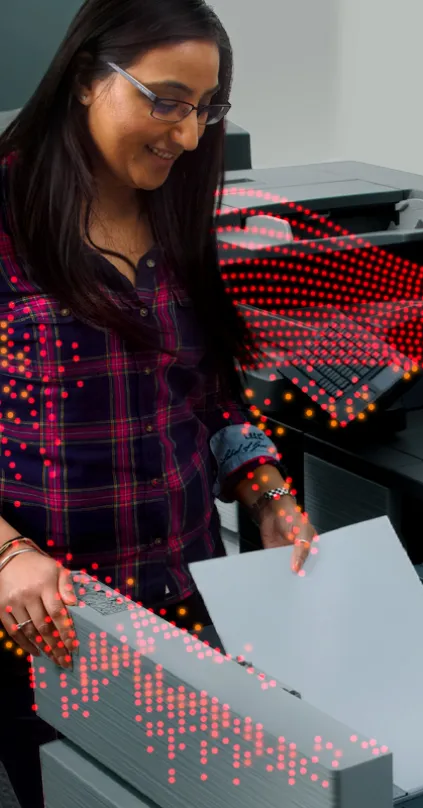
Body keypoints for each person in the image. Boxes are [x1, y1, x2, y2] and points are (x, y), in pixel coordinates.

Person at [0, 1, 316, 805]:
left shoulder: (176, 214)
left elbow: (215, 400)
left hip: (185, 608)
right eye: (165, 100)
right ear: (83, 79)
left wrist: (271, 495)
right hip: (44, 623)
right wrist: (6, 553)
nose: (186, 134)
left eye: (206, 110)